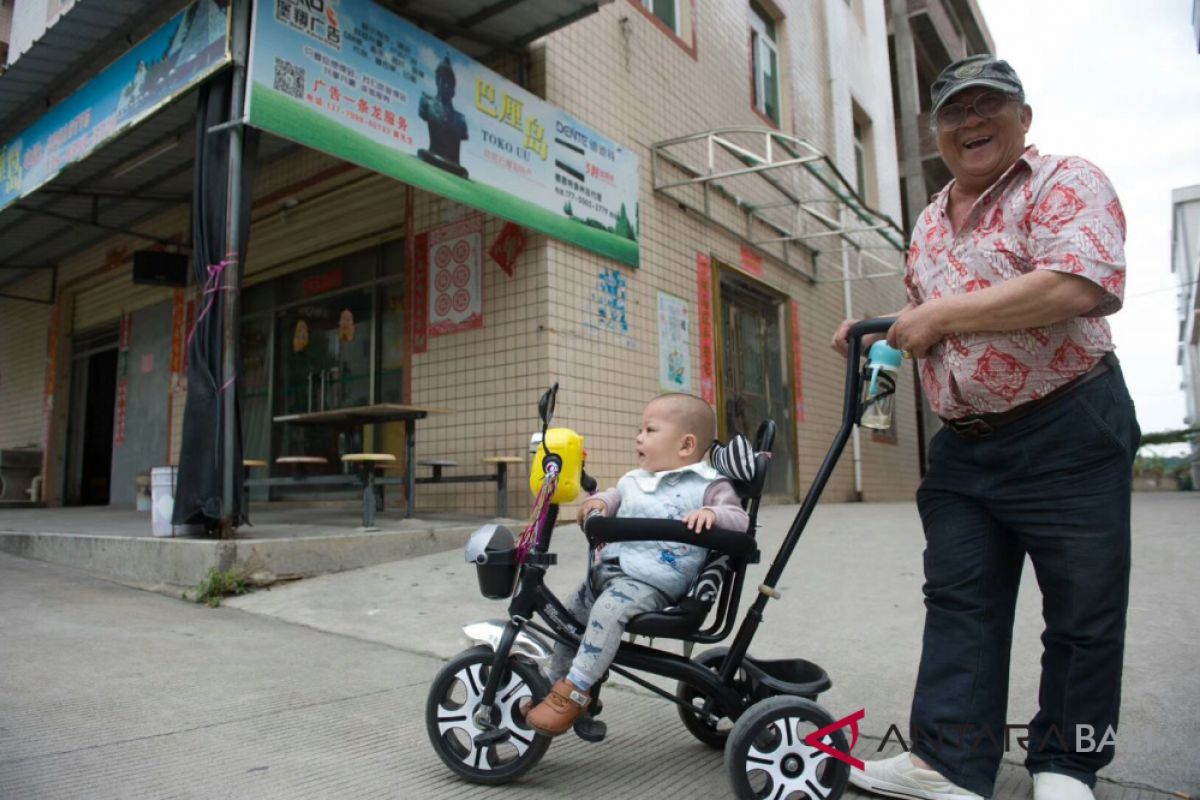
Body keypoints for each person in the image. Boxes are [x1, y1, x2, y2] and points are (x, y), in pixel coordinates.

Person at [832, 55, 1139, 800]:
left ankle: (1067, 764)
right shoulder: (928, 224)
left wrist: (934, 316)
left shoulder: (1065, 181)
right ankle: (949, 764)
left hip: (1069, 421)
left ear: (1022, 117)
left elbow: (1080, 283)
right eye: (953, 111)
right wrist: (886, 333)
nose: (971, 121)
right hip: (967, 445)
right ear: (936, 131)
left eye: (988, 105)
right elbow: (937, 332)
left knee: (1081, 608)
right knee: (960, 601)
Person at [523, 393, 749, 736]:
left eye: (649, 430)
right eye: (639, 429)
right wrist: (598, 503)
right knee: (567, 622)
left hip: (653, 580)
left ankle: (577, 689)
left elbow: (739, 520)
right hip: (609, 572)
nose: (638, 437)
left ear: (686, 445)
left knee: (607, 614)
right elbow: (615, 495)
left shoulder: (707, 485)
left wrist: (712, 514)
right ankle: (555, 682)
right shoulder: (635, 479)